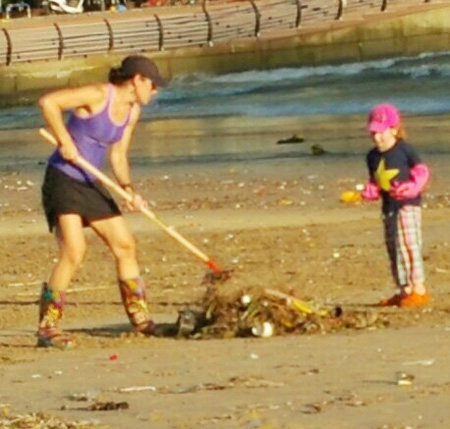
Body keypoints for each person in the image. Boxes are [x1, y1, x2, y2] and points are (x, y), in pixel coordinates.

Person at [37, 55, 166, 349]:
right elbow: (48, 103)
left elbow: (118, 156)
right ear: (137, 80)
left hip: (91, 182)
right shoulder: (98, 95)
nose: (155, 91)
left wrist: (129, 190)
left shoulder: (132, 111)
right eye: (153, 85)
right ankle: (48, 327)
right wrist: (64, 140)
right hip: (64, 179)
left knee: (125, 245)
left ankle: (141, 319)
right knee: (74, 251)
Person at [361, 103, 430, 307]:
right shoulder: (372, 156)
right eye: (373, 133)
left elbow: (421, 171)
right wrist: (371, 190)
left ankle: (418, 287)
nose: (376, 137)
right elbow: (375, 179)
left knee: (409, 243)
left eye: (380, 132)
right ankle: (403, 288)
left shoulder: (404, 150)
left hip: (407, 204)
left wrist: (413, 186)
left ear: (393, 129)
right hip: (388, 206)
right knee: (393, 246)